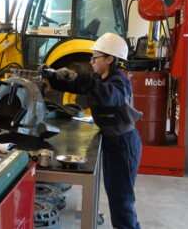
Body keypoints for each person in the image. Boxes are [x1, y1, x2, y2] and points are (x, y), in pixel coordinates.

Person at [39, 32, 142, 229]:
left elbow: (108, 96)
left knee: (122, 201)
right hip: (113, 141)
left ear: (110, 59)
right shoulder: (99, 77)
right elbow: (79, 83)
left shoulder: (119, 82)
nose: (91, 61)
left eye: (95, 57)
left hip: (124, 144)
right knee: (114, 193)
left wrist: (81, 79)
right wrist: (53, 75)